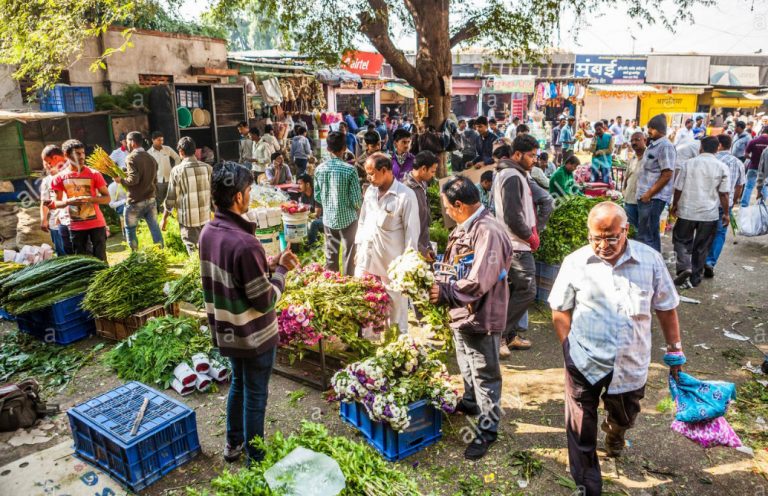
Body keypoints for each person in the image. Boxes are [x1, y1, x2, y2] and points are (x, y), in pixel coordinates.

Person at [549, 201, 682, 496]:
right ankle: (588, 485)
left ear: (626, 230)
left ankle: (616, 432)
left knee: (625, 415)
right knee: (580, 429)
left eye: (611, 237)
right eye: (596, 237)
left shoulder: (650, 260)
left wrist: (676, 349)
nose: (603, 245)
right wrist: (568, 348)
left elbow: (666, 308)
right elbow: (559, 309)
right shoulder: (575, 262)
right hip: (584, 360)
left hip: (630, 363)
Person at [199, 161, 299, 465]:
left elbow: (233, 273)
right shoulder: (245, 243)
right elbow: (265, 299)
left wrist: (266, 264)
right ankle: (256, 456)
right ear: (239, 197)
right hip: (253, 336)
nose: (250, 194)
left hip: (228, 331)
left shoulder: (209, 232)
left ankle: (233, 444)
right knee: (256, 394)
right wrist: (281, 270)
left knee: (239, 385)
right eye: (248, 189)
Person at [430, 175, 512, 460]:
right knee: (466, 363)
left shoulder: (487, 232)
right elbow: (457, 266)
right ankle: (470, 402)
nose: (447, 213)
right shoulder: (466, 226)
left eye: (448, 208)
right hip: (461, 314)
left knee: (485, 374)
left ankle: (487, 431)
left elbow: (478, 281)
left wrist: (445, 292)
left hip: (481, 315)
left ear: (459, 204)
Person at [355, 153, 420, 333]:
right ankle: (367, 340)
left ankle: (399, 341)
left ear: (385, 171)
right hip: (367, 256)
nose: (368, 178)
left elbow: (412, 232)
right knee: (365, 298)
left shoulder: (405, 196)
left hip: (392, 263)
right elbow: (363, 221)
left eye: (371, 173)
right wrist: (358, 247)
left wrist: (407, 265)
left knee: (396, 303)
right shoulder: (370, 191)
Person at [493, 136, 539, 356]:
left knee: (514, 290)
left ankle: (509, 336)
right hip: (516, 244)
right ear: (517, 154)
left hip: (516, 242)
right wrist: (530, 236)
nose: (534, 160)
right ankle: (501, 335)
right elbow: (512, 216)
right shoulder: (511, 175)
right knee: (528, 290)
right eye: (531, 155)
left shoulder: (514, 174)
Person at [670, 136, 730, 288]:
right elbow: (724, 194)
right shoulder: (722, 167)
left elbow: (678, 188)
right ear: (718, 149)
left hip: (687, 211)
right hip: (709, 214)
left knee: (681, 240)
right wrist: (726, 213)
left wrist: (675, 204)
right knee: (702, 246)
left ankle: (685, 267)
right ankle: (695, 278)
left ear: (701, 147)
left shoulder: (688, 164)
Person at [50, 140, 110, 261]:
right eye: (77, 153)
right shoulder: (59, 178)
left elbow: (107, 198)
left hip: (96, 224)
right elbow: (56, 203)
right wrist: (69, 202)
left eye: (83, 153)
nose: (82, 156)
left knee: (101, 259)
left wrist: (90, 199)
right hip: (75, 226)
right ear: (66, 155)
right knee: (83, 261)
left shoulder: (94, 174)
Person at [314, 131, 363, 276]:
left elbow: (317, 195)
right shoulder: (350, 170)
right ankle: (348, 282)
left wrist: (328, 203)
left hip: (329, 219)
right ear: (344, 148)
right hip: (348, 219)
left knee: (331, 254)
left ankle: (332, 281)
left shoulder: (319, 169)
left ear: (328, 149)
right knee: (349, 254)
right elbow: (356, 201)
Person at [162, 136, 212, 254]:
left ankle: (199, 270)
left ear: (181, 152)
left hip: (188, 219)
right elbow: (213, 194)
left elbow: (171, 198)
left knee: (193, 249)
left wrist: (164, 218)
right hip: (205, 217)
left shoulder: (177, 171)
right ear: (194, 151)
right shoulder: (207, 168)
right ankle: (207, 270)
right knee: (206, 248)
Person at [705, 134, 745, 277]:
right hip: (725, 204)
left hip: (708, 202)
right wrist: (732, 202)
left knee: (705, 232)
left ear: (719, 145)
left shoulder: (712, 160)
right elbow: (739, 186)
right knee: (720, 234)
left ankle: (699, 260)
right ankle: (709, 262)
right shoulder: (738, 163)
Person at [116, 132, 163, 251]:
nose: (126, 144)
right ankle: (161, 252)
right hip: (151, 199)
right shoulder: (151, 158)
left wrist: (120, 179)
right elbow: (154, 179)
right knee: (154, 228)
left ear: (132, 142)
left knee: (130, 229)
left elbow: (133, 180)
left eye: (127, 141)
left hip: (135, 201)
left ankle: (135, 256)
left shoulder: (131, 157)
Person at [636, 114, 675, 252]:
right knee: (648, 233)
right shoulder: (653, 145)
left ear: (657, 130)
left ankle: (650, 265)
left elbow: (667, 174)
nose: (648, 132)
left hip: (653, 198)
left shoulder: (665, 146)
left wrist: (648, 194)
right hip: (647, 196)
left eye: (650, 129)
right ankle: (655, 263)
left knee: (646, 235)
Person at [405, 151, 438, 260]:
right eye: (432, 171)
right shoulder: (407, 189)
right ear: (423, 169)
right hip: (412, 250)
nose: (434, 175)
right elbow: (406, 227)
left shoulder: (423, 183)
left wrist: (427, 245)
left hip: (423, 243)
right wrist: (421, 249)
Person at [40, 145, 71, 256]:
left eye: (48, 162)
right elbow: (45, 201)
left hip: (73, 221)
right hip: (56, 223)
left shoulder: (73, 173)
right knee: (63, 255)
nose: (47, 166)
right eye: (46, 163)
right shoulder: (47, 180)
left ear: (56, 158)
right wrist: (44, 219)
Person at [147, 131, 181, 212]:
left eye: (162, 140)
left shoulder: (167, 149)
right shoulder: (148, 153)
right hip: (158, 181)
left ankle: (173, 216)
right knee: (160, 201)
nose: (161, 142)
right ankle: (163, 216)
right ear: (153, 140)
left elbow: (177, 158)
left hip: (170, 179)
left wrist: (175, 169)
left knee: (172, 199)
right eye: (159, 140)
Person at [623, 132, 646, 229]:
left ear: (645, 140)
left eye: (637, 139)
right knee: (632, 229)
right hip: (630, 200)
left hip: (644, 201)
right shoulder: (632, 158)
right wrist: (624, 190)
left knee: (644, 230)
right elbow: (627, 177)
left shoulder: (650, 157)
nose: (634, 142)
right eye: (632, 140)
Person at [742, 126, 768, 206]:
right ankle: (762, 204)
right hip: (765, 169)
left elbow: (745, 154)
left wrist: (752, 158)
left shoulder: (753, 141)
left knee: (749, 186)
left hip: (753, 166)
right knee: (764, 186)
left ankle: (744, 205)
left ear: (762, 131)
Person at [297, 174, 323, 245]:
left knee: (314, 223)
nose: (298, 186)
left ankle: (311, 245)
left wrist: (305, 216)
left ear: (308, 184)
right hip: (312, 217)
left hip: (324, 218)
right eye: (298, 184)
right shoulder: (303, 195)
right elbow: (302, 209)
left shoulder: (317, 194)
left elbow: (317, 214)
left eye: (300, 184)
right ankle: (300, 242)